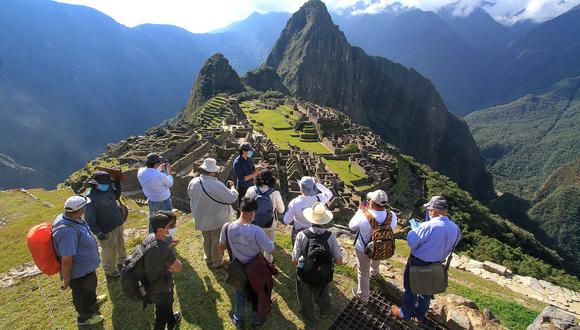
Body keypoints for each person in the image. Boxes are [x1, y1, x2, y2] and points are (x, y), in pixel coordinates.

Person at [390, 196, 461, 322]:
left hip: (418, 262)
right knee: (426, 291)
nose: (428, 211)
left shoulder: (428, 226)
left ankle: (404, 314)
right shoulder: (455, 228)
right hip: (437, 264)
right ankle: (420, 316)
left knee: (411, 289)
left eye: (429, 208)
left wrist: (415, 230)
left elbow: (412, 242)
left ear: (433, 210)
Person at [219, 198, 275, 329]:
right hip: (255, 269)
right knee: (257, 293)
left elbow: (221, 247)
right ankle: (256, 320)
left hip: (237, 269)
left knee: (239, 295)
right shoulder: (256, 230)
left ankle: (238, 320)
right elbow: (271, 249)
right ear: (253, 213)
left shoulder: (226, 227)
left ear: (240, 210)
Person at [52, 195, 107, 326]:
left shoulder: (72, 218)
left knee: (90, 284)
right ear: (80, 209)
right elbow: (66, 259)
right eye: (85, 206)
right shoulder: (67, 231)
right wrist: (66, 279)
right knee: (81, 294)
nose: (86, 208)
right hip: (78, 272)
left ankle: (93, 301)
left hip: (86, 268)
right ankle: (84, 317)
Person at [293, 202, 343, 327]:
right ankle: (324, 312)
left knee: (305, 298)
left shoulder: (302, 234)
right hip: (323, 273)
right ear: (324, 220)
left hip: (305, 274)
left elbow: (294, 259)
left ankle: (310, 321)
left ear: (310, 218)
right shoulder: (330, 236)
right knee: (323, 293)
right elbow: (339, 261)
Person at [349, 190, 398, 304]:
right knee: (377, 254)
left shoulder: (363, 215)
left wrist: (360, 210)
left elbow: (352, 227)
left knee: (362, 272)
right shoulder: (392, 216)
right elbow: (392, 227)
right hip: (381, 246)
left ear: (372, 203)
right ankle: (375, 272)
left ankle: (363, 296)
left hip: (363, 249)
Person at [188, 158, 238, 268]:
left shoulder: (193, 182)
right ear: (212, 172)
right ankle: (217, 261)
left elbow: (191, 196)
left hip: (201, 216)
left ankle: (208, 258)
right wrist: (233, 188)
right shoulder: (216, 185)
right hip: (216, 217)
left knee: (206, 239)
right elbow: (231, 198)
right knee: (216, 241)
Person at [144, 211, 183, 330]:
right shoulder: (164, 251)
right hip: (162, 287)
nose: (174, 228)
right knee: (161, 314)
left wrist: (168, 246)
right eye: (171, 226)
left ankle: (171, 320)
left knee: (165, 305)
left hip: (150, 283)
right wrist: (170, 255)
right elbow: (178, 267)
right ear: (160, 230)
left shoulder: (150, 238)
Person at [84, 171, 127, 278]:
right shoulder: (89, 197)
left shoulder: (108, 188)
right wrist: (97, 232)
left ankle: (122, 262)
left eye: (108, 183)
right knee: (109, 250)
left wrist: (117, 182)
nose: (106, 185)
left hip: (117, 223)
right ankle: (110, 271)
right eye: (104, 184)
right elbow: (89, 218)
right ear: (95, 183)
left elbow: (116, 196)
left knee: (121, 245)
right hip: (106, 229)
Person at [245, 169, 285, 263]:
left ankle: (254, 261)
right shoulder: (275, 193)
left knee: (254, 242)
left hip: (253, 222)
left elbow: (246, 206)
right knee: (268, 243)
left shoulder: (251, 190)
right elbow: (281, 210)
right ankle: (268, 261)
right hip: (269, 223)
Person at [283, 176, 333, 244]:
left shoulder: (294, 203)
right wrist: (318, 184)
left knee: (297, 252)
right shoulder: (319, 199)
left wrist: (295, 218)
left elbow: (286, 220)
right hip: (313, 233)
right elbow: (329, 194)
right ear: (313, 188)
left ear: (301, 189)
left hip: (298, 232)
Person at [137, 153, 174, 233]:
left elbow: (151, 174)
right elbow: (170, 183)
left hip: (151, 201)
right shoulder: (160, 175)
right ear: (156, 164)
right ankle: (167, 238)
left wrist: (158, 169)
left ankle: (151, 237)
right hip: (164, 201)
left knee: (152, 220)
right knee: (168, 220)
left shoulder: (140, 172)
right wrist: (170, 173)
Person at [233, 142, 268, 209]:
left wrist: (260, 166)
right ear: (243, 151)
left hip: (251, 186)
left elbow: (252, 167)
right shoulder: (237, 163)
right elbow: (241, 179)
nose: (251, 152)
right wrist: (254, 174)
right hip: (243, 188)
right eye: (249, 151)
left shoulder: (249, 159)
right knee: (242, 206)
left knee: (251, 205)